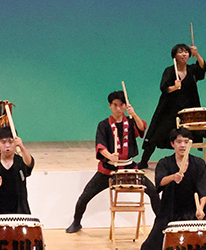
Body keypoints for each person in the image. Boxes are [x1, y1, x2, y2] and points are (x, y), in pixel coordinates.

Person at [65, 91, 159, 234]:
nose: (118, 108)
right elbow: (100, 146)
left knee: (152, 191)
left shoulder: (130, 121)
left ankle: (161, 222)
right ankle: (76, 222)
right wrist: (110, 156)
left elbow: (141, 128)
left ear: (125, 105)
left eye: (121, 105)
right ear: (110, 106)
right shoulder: (103, 125)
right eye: (115, 105)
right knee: (85, 195)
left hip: (129, 167)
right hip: (109, 168)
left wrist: (133, 114)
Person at [139, 44, 206, 174]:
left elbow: (203, 68)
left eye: (186, 52)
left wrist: (196, 54)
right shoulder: (169, 71)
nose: (184, 54)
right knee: (154, 136)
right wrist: (174, 87)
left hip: (189, 114)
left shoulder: (192, 70)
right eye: (180, 52)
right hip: (169, 112)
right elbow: (164, 88)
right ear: (174, 56)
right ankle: (143, 162)